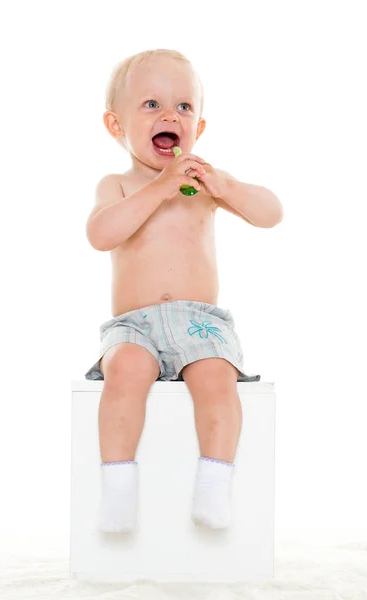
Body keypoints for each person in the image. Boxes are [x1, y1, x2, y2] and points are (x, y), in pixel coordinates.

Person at [84, 49, 283, 533]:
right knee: (125, 372)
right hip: (135, 325)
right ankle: (117, 486)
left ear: (200, 128)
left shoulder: (204, 185)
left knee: (217, 378)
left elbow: (271, 212)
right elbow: (100, 235)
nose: (170, 115)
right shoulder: (120, 184)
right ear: (116, 125)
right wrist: (161, 187)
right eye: (151, 105)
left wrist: (225, 187)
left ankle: (214, 482)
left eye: (183, 107)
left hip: (200, 321)